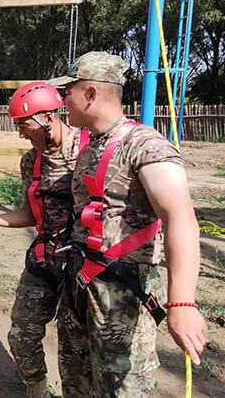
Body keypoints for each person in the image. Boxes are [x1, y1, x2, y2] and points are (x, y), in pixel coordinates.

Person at [46, 52, 206, 396]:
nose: (62, 101)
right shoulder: (89, 145)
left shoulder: (144, 145)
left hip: (123, 294)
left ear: (90, 94)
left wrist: (182, 303)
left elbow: (180, 218)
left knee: (122, 390)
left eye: (68, 92)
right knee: (76, 382)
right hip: (81, 286)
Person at [0, 82, 88, 398]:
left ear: (48, 117)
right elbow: (30, 214)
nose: (21, 134)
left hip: (84, 266)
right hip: (46, 258)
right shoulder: (30, 161)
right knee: (22, 335)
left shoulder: (88, 151)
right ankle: (38, 392)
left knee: (76, 348)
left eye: (25, 125)